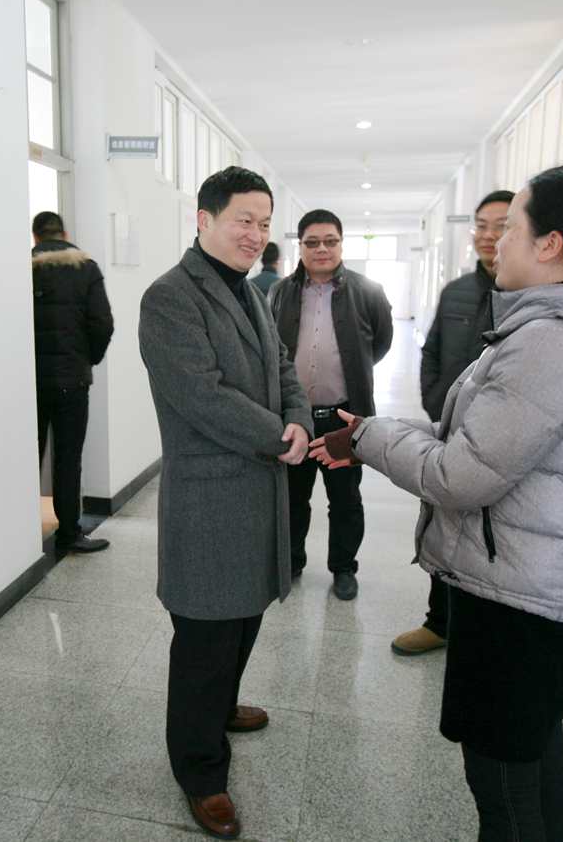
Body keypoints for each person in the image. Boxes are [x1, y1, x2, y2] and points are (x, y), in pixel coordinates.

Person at [309, 162, 563, 842]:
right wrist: (373, 435)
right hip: (539, 584)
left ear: (550, 243)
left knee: (506, 784)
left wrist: (367, 436)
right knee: (535, 753)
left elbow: (462, 475)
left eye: (510, 226)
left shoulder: (554, 343)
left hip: (519, 603)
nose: (494, 241)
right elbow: (477, 442)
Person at [138, 166, 312, 840]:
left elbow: (283, 367)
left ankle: (221, 705)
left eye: (265, 223)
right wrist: (280, 436)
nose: (256, 234)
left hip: (258, 489)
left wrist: (297, 418)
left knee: (243, 618)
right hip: (210, 498)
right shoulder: (170, 297)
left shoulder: (249, 290)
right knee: (205, 639)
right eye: (244, 219)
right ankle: (201, 770)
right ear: (204, 219)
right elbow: (201, 396)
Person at [394, 189, 513, 655]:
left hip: (505, 438)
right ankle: (439, 622)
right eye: (481, 225)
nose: (488, 235)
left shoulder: (530, 294)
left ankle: (483, 630)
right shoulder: (457, 291)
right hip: (453, 432)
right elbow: (432, 352)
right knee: (443, 522)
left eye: (501, 225)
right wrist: (436, 405)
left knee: (493, 533)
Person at [267, 209, 392, 600]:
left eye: (330, 241)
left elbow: (380, 344)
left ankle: (343, 568)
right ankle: (292, 561)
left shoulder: (368, 291)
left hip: (343, 418)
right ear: (300, 246)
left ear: (341, 244)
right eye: (312, 242)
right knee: (293, 499)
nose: (322, 248)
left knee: (345, 500)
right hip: (295, 419)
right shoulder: (280, 292)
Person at [31, 211, 115, 552]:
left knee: (27, 457)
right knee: (68, 459)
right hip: (72, 383)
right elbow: (103, 324)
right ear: (64, 235)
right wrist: (87, 359)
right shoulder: (86, 269)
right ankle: (68, 533)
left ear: (35, 237)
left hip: (30, 384)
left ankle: (21, 541)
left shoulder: (21, 269)